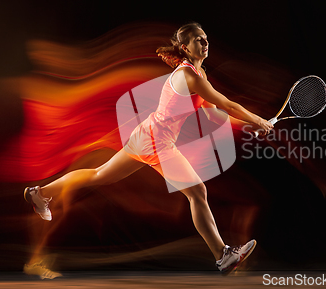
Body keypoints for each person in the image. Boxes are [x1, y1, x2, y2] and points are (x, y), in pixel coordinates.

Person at [24, 22, 274, 275]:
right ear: (185, 48)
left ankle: (40, 192)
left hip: (147, 135)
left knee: (99, 174)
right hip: (157, 142)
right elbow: (227, 103)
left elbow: (213, 115)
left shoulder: (199, 76)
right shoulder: (187, 75)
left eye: (205, 38)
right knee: (197, 192)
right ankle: (222, 255)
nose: (205, 43)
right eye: (198, 40)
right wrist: (258, 119)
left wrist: (247, 125)